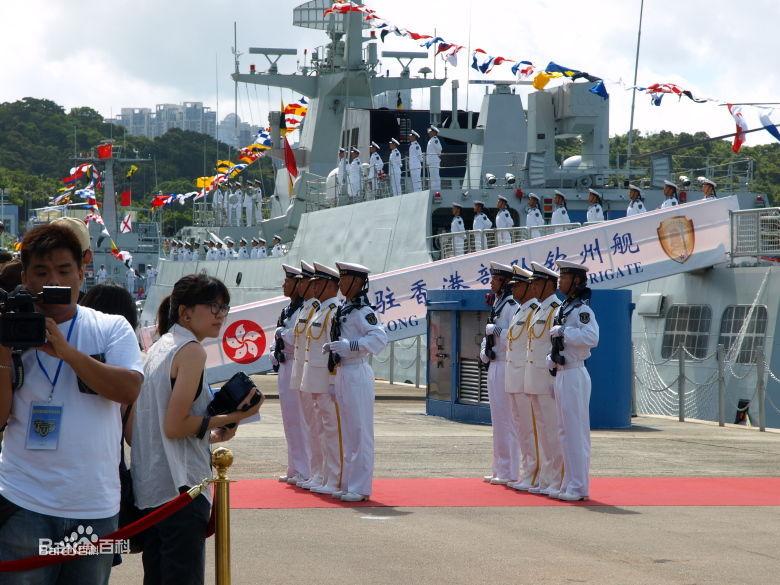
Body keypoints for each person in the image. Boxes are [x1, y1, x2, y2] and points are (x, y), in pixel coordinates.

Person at [0, 223, 143, 585]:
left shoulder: (112, 328)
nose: (55, 281)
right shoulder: (10, 330)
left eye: (64, 270)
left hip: (94, 505)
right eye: (42, 272)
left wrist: (66, 352)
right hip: (23, 500)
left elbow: (128, 390)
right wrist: (3, 349)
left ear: (83, 270)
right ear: (26, 276)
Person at [132, 273, 262, 584]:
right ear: (185, 312)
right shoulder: (191, 351)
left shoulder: (160, 346)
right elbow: (176, 426)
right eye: (212, 305)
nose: (220, 314)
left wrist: (213, 432)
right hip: (181, 489)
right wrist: (234, 415)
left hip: (151, 488)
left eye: (224, 307)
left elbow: (161, 425)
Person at [326, 262, 388, 501]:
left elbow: (379, 338)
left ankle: (360, 487)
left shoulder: (362, 311)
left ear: (357, 282)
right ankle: (349, 482)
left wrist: (350, 346)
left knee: (360, 430)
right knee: (348, 431)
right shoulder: (346, 309)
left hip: (357, 371)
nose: (340, 283)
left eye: (344, 279)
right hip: (343, 371)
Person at [548, 259, 600, 501]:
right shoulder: (563, 308)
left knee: (576, 432)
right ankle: (569, 481)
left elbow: (592, 337)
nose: (560, 280)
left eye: (564, 276)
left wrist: (565, 333)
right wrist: (552, 357)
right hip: (562, 371)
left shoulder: (582, 309)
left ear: (576, 280)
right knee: (563, 431)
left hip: (575, 373)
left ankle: (579, 486)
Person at [519, 262, 564, 496]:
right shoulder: (538, 310)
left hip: (547, 379)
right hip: (533, 378)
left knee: (553, 430)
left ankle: (556, 479)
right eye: (533, 283)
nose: (533, 287)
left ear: (549, 284)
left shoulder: (556, 308)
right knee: (541, 430)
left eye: (537, 282)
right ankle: (545, 479)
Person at [300, 263, 342, 495]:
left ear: (330, 285)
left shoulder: (333, 311)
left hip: (326, 381)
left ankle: (333, 477)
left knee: (331, 432)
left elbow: (333, 351)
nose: (313, 286)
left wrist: (334, 381)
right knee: (319, 431)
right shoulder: (319, 311)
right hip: (314, 380)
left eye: (317, 282)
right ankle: (321, 474)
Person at [501, 266, 541, 492]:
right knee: (520, 428)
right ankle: (527, 472)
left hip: (525, 378)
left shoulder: (533, 310)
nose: (513, 289)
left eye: (517, 285)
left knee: (531, 429)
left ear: (528, 287)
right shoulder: (518, 311)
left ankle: (534, 474)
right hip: (513, 378)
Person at [479, 262, 519, 485]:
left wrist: (499, 332)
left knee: (508, 420)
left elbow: (516, 335)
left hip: (505, 364)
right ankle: (499, 468)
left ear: (504, 281)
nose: (491, 282)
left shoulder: (512, 305)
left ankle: (510, 471)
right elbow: (489, 332)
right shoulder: (498, 303)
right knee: (497, 420)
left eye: (495, 278)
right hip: (494, 364)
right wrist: (484, 351)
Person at [271, 265, 310, 485]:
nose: (284, 285)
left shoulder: (304, 309)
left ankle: (306, 469)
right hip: (285, 364)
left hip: (297, 363)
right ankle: (295, 467)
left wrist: (282, 334)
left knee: (301, 419)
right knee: (289, 419)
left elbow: (298, 338)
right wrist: (273, 352)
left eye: (288, 281)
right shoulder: (288, 309)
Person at [289, 262, 321, 488]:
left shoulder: (317, 308)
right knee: (309, 424)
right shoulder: (305, 308)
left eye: (304, 281)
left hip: (313, 373)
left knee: (318, 427)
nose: (300, 285)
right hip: (302, 372)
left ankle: (315, 473)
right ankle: (313, 472)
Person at [425, 126, 442, 191]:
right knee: (433, 178)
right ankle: (434, 190)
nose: (429, 133)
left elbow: (439, 149)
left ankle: (437, 190)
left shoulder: (435, 139)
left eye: (430, 131)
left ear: (434, 132)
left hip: (434, 161)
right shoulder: (432, 140)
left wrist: (437, 155)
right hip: (431, 161)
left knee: (435, 177)